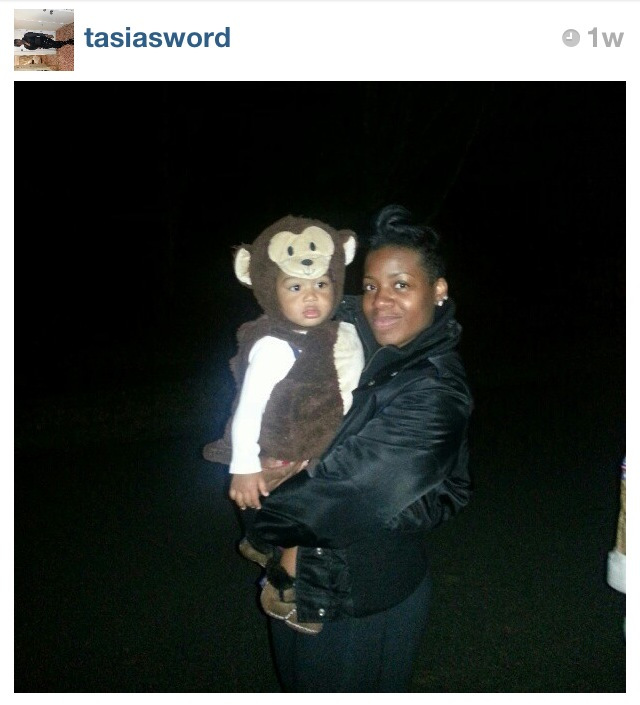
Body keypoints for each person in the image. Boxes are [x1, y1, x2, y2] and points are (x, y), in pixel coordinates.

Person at [251, 204, 473, 692]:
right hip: (301, 583)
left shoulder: (436, 392)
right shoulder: (355, 343)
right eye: (371, 286)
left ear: (438, 290)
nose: (380, 301)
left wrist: (260, 511)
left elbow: (344, 495)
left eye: (401, 285)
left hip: (359, 602)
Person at [202, 214, 364, 634]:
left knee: (306, 513)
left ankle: (259, 544)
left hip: (308, 446)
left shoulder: (332, 335)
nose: (312, 296)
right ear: (268, 290)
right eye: (295, 287)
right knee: (307, 518)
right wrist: (244, 465)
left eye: (321, 284)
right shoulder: (275, 345)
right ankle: (282, 591)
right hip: (276, 448)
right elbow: (248, 408)